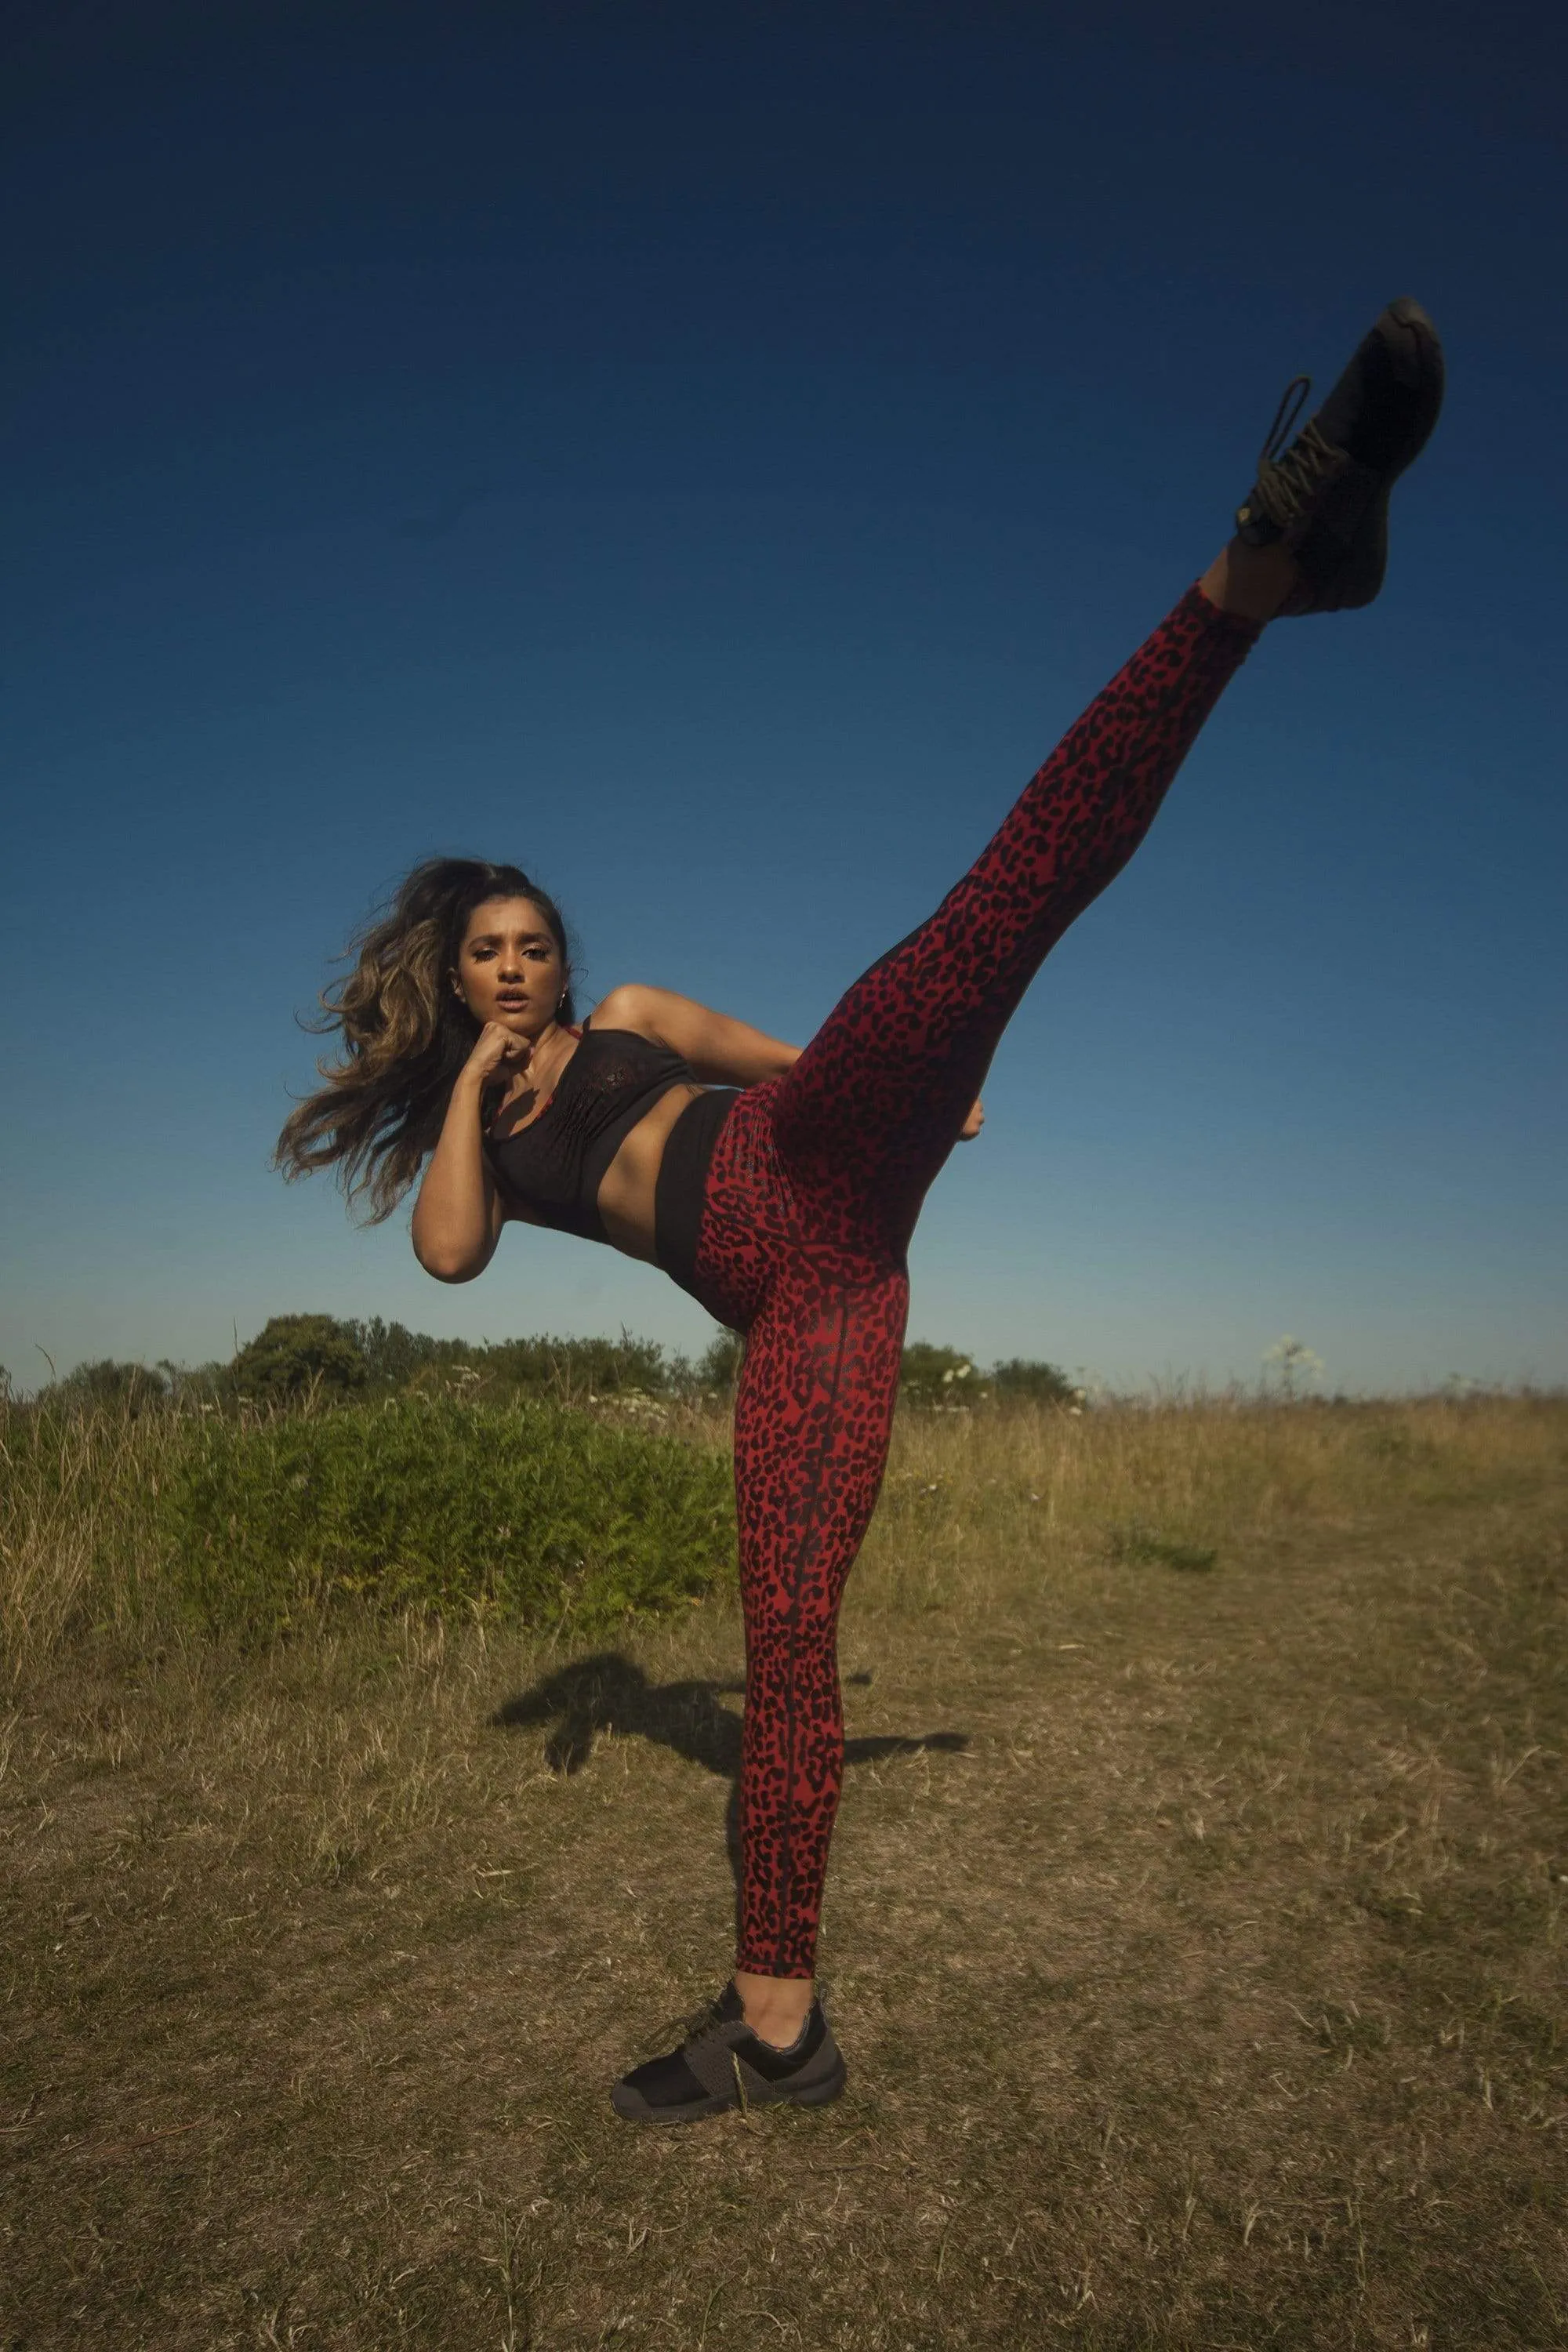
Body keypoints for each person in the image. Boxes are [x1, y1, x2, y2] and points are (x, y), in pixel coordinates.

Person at [276, 299, 1444, 2125]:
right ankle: (776, 2036)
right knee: (791, 1663)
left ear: (560, 954)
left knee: (998, 902)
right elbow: (443, 1259)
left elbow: (795, 1055)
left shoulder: (636, 1015)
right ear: (451, 975)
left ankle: (1259, 564)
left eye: (532, 942)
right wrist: (454, 1093)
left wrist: (923, 1068)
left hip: (811, 1162)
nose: (518, 964)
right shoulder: (475, 1135)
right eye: (486, 955)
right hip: (815, 1309)